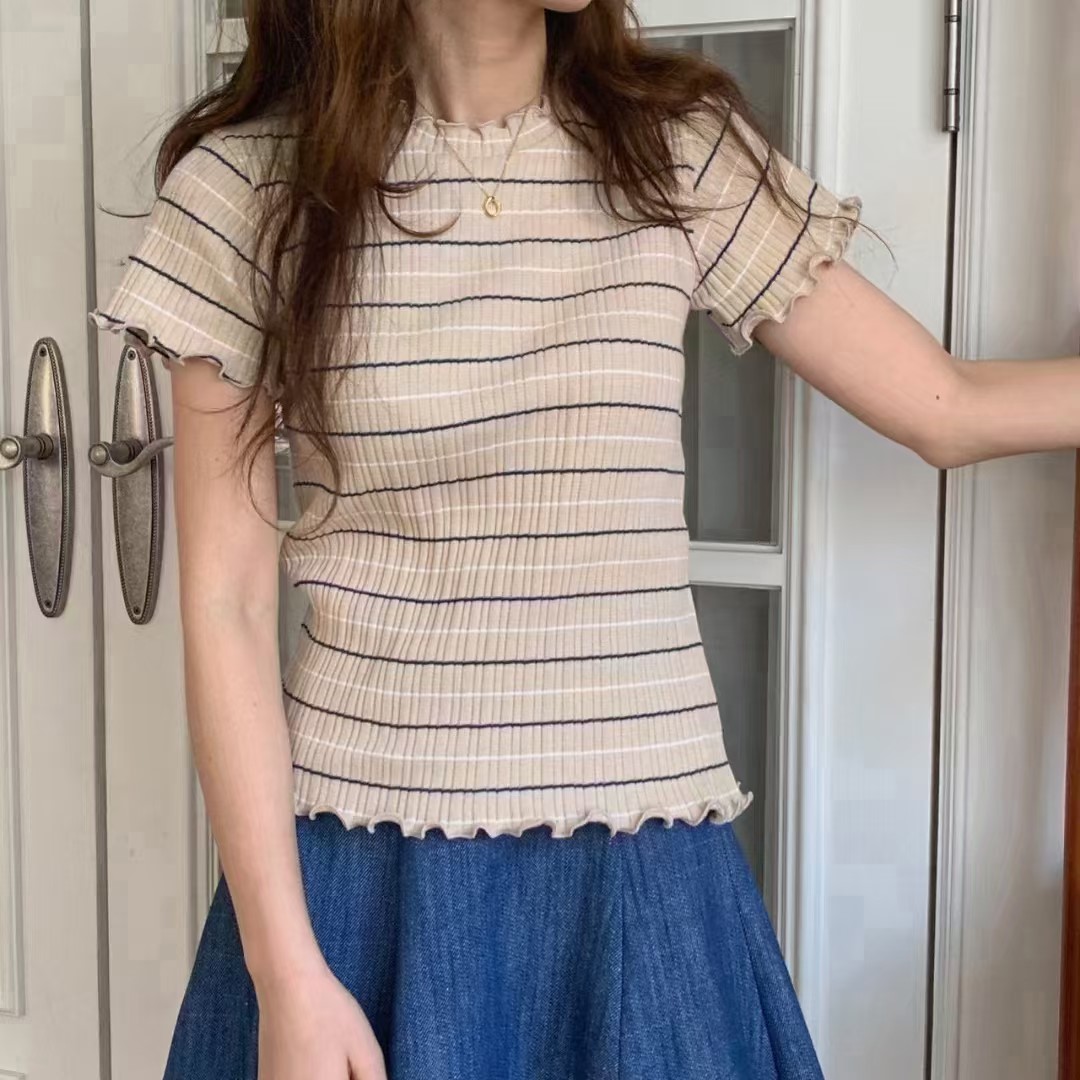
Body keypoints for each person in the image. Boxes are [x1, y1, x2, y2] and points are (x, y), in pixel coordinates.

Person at [90, 2, 1079, 1078]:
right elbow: (226, 604)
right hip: (363, 880)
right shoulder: (247, 189)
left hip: (639, 865)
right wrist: (285, 975)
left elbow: (947, 407)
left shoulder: (673, 148)